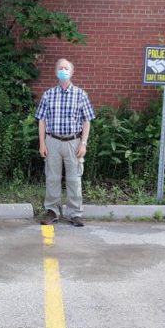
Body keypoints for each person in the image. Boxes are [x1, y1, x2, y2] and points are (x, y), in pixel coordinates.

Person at [35, 58, 96, 227]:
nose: (63, 70)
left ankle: (74, 213)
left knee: (74, 179)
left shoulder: (81, 94)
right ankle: (52, 211)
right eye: (60, 68)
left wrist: (83, 143)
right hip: (52, 141)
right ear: (56, 71)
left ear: (72, 72)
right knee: (52, 178)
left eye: (66, 68)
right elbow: (41, 121)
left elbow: (87, 121)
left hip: (73, 142)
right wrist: (42, 143)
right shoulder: (48, 95)